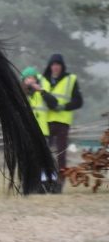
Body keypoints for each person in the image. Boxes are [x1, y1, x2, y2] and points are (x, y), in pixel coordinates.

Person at [38, 53, 83, 188]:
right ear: (50, 66)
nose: (55, 67)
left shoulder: (71, 79)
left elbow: (78, 101)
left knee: (61, 154)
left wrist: (64, 106)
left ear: (62, 66)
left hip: (63, 122)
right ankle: (44, 179)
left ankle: (60, 181)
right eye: (53, 64)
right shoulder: (42, 79)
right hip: (46, 122)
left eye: (58, 65)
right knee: (45, 152)